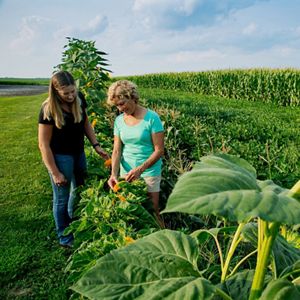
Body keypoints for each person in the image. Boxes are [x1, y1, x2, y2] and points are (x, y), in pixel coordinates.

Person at [38, 70, 109, 248]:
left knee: (79, 189)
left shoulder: (79, 99)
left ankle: (74, 222)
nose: (71, 95)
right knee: (61, 197)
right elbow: (43, 144)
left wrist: (96, 145)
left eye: (73, 91)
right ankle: (64, 236)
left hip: (79, 153)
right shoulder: (48, 109)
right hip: (60, 157)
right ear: (55, 91)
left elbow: (85, 123)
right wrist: (55, 172)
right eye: (66, 93)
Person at [106, 80, 164, 226]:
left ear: (133, 97)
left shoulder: (152, 118)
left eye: (122, 103)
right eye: (117, 105)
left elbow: (159, 150)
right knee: (131, 214)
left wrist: (140, 169)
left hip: (149, 172)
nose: (120, 109)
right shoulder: (119, 121)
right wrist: (114, 174)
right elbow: (117, 150)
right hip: (127, 173)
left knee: (152, 212)